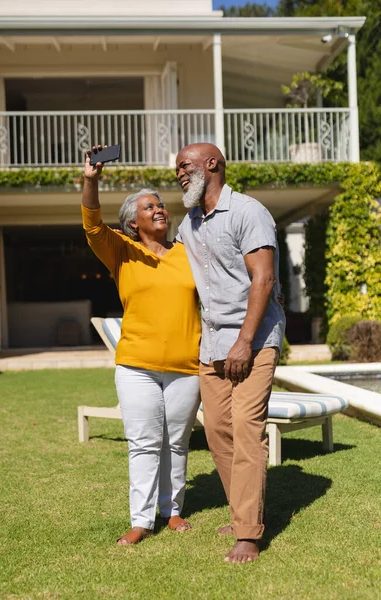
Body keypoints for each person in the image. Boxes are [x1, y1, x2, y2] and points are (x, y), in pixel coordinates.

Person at [81, 146, 201, 545]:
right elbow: (92, 225)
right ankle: (141, 519)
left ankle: (174, 510)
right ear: (133, 222)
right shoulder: (121, 251)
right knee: (145, 442)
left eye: (161, 205)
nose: (160, 210)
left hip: (187, 365)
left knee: (177, 442)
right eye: (150, 207)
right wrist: (91, 181)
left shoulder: (187, 254)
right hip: (137, 365)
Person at [175, 143, 286, 563]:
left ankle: (247, 532)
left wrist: (244, 341)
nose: (181, 174)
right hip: (212, 344)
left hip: (252, 340)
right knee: (219, 433)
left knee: (245, 428)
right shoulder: (190, 223)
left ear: (213, 165)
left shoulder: (248, 212)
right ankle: (243, 510)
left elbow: (263, 278)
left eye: (186, 166)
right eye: (178, 170)